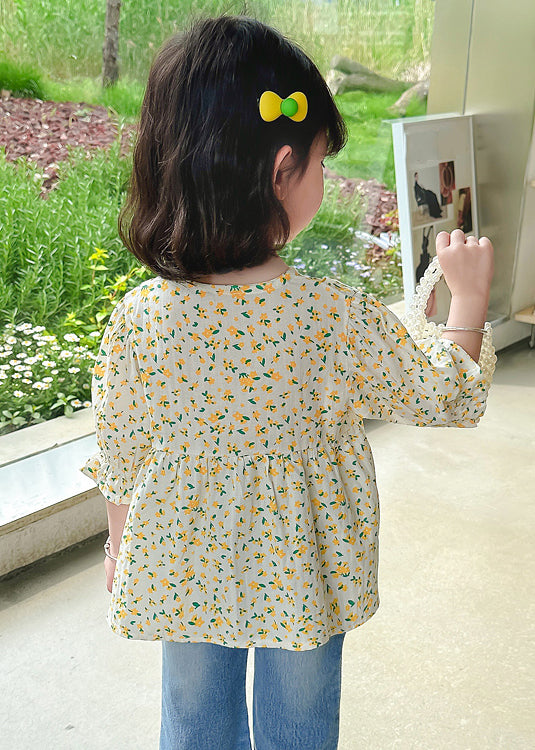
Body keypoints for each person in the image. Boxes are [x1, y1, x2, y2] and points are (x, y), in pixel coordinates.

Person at [80, 14, 494, 750]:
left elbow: (121, 454)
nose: (323, 178)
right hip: (303, 571)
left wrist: (120, 552)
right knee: (298, 727)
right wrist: (466, 298)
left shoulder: (139, 319)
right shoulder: (328, 316)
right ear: (280, 171)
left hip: (182, 564)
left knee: (193, 722)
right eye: (320, 162)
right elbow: (448, 395)